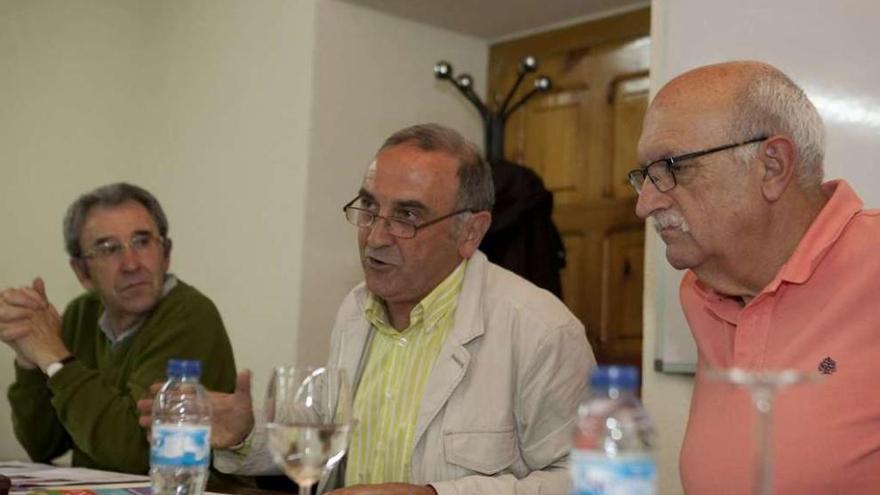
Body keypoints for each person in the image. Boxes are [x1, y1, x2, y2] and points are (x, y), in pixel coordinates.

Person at [145, 124, 594, 495]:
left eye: (407, 216)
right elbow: (322, 449)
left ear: (470, 232)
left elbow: (588, 484)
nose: (376, 236)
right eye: (369, 208)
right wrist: (244, 435)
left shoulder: (541, 329)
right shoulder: (355, 310)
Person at [629, 61, 880, 494]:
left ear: (772, 165)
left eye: (672, 167)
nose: (645, 204)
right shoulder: (701, 291)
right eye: (645, 177)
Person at [1, 182, 237, 474]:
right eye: (109, 249)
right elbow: (44, 445)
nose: (131, 263)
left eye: (142, 242)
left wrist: (56, 360)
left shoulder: (190, 315)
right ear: (82, 272)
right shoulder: (81, 313)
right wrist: (31, 358)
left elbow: (137, 453)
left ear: (166, 253)